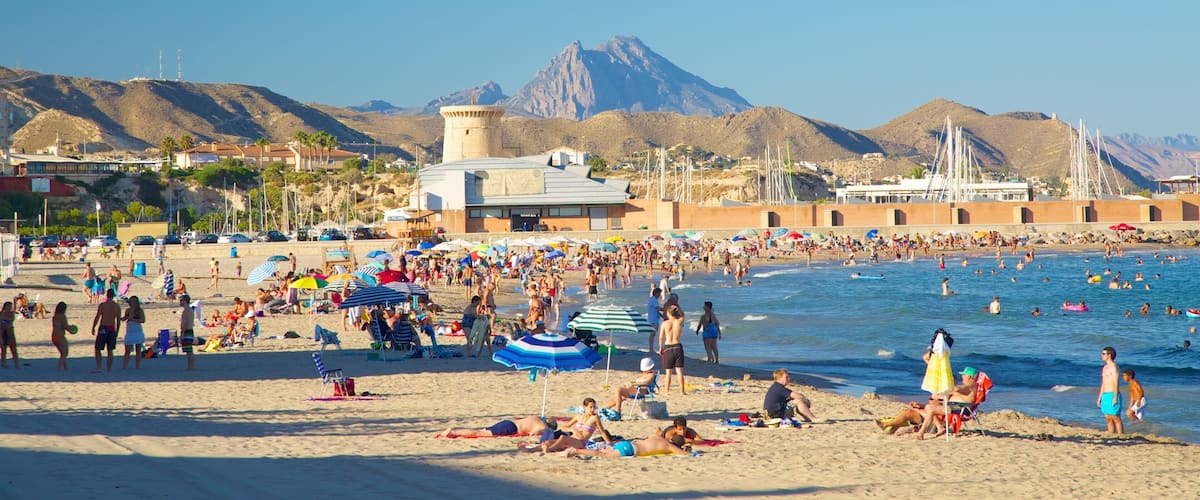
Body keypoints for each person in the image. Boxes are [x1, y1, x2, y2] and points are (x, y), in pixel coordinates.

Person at [913, 366, 979, 440]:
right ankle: (938, 427)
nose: (962, 376)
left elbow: (956, 389)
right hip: (957, 407)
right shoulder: (968, 386)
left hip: (961, 409)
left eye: (964, 375)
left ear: (969, 376)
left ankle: (921, 433)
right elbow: (957, 392)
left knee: (930, 408)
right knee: (929, 408)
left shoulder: (970, 385)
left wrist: (947, 382)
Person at [542, 398, 612, 453]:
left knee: (563, 437)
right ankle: (531, 450)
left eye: (594, 407)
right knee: (548, 442)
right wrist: (572, 430)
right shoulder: (578, 416)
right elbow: (564, 427)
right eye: (590, 407)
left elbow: (602, 432)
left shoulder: (595, 417)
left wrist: (609, 444)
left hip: (580, 443)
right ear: (585, 407)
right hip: (572, 439)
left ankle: (549, 450)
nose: (593, 409)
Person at [564, 434, 690, 458]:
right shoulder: (668, 445)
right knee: (603, 455)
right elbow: (683, 453)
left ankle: (580, 451)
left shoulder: (658, 437)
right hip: (630, 449)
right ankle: (578, 451)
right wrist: (686, 450)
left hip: (628, 443)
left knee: (603, 452)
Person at [438, 415, 555, 438]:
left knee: (481, 430)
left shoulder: (536, 417)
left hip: (507, 423)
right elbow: (532, 434)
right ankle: (454, 431)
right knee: (478, 433)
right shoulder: (543, 427)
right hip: (510, 429)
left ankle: (457, 430)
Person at [91, 289, 121, 373]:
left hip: (104, 327)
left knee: (98, 348)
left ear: (107, 295)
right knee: (110, 349)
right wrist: (117, 331)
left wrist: (93, 327)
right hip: (112, 328)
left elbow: (97, 317)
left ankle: (99, 366)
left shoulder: (103, 305)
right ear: (113, 295)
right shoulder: (117, 306)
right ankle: (109, 368)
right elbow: (118, 321)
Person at [658, 305, 686, 395]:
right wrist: (678, 308)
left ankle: (667, 391)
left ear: (669, 313)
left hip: (668, 346)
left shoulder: (665, 323)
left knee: (668, 372)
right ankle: (682, 391)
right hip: (677, 346)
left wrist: (660, 348)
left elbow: (661, 337)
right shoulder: (679, 321)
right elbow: (683, 315)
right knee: (679, 371)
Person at [1097, 346, 1123, 434]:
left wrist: (1115, 397)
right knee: (1108, 417)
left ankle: (1120, 435)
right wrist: (1099, 397)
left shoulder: (1114, 367)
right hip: (1105, 394)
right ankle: (1111, 434)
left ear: (1109, 355)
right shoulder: (1105, 368)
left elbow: (1116, 383)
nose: (1102, 355)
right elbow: (1103, 383)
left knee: (1116, 417)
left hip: (1113, 394)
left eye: (1104, 354)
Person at [121, 296, 146, 369]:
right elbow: (125, 318)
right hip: (130, 331)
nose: (133, 303)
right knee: (127, 350)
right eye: (132, 301)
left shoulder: (140, 310)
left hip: (137, 330)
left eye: (134, 301)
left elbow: (143, 320)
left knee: (138, 350)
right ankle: (125, 366)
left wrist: (132, 319)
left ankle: (137, 366)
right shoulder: (128, 310)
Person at [50, 302, 70, 371]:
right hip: (60, 336)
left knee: (62, 353)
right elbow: (65, 326)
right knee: (65, 353)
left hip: (53, 336)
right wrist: (72, 329)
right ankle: (58, 368)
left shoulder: (54, 317)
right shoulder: (62, 316)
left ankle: (66, 368)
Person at [180, 295, 196, 371]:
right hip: (190, 330)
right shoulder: (190, 310)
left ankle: (190, 367)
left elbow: (184, 324)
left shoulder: (186, 311)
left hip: (187, 331)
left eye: (181, 300)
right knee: (189, 350)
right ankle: (190, 366)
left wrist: (181, 334)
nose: (180, 302)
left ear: (184, 301)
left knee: (188, 351)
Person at [0, 301, 17, 369]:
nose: (10, 308)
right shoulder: (1, 314)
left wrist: (15, 301)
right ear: (5, 307)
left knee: (13, 349)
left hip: (10, 332)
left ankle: (16, 364)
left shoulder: (11, 313)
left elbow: (15, 309)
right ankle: (4, 363)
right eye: (8, 306)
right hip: (3, 332)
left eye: (10, 306)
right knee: (3, 349)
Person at [646, 288, 663, 353]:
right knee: (652, 334)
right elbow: (658, 309)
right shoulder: (654, 300)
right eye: (659, 294)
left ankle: (651, 348)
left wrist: (663, 316)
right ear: (656, 293)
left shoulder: (653, 300)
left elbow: (656, 311)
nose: (660, 295)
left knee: (653, 334)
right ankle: (651, 349)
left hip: (654, 319)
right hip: (653, 320)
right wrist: (667, 309)